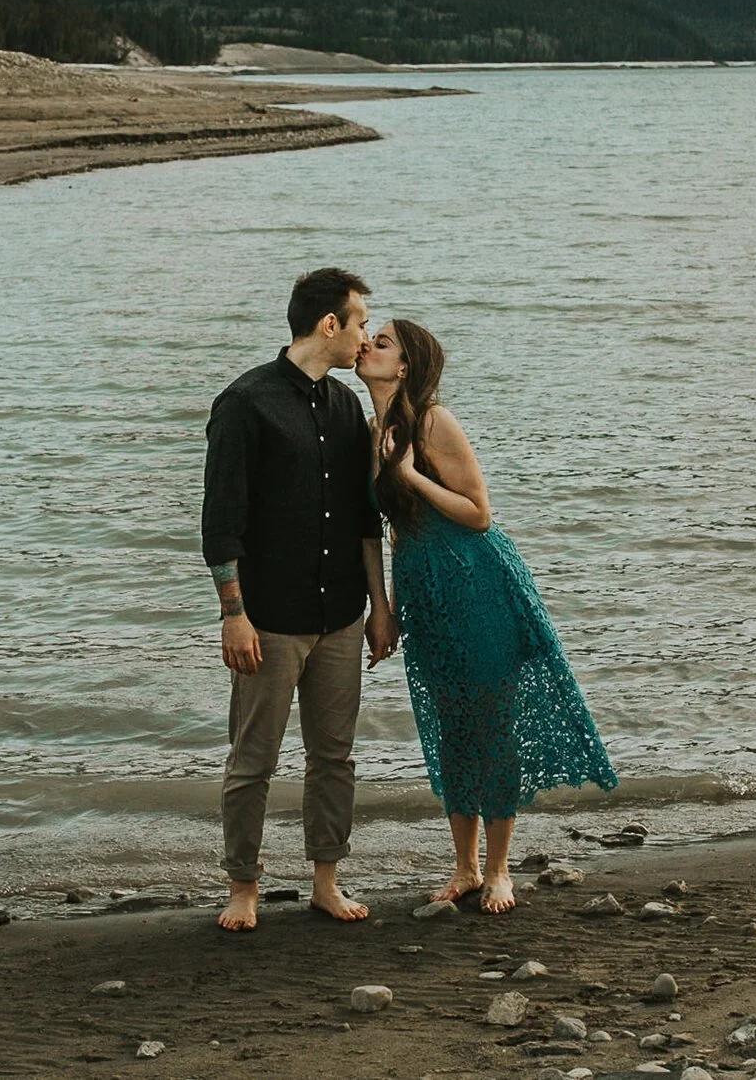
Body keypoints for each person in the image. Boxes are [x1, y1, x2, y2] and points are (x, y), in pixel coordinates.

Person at [356, 317, 616, 914]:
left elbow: (479, 514)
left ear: (405, 367)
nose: (368, 343)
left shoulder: (433, 421)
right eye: (370, 336)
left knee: (491, 724)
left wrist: (409, 474)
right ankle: (465, 868)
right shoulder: (371, 431)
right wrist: (383, 607)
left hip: (478, 583)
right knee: (450, 725)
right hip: (425, 593)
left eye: (383, 341)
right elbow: (380, 529)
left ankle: (499, 871)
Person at [201, 267, 399, 933]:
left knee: (334, 758)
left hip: (341, 615)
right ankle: (243, 886)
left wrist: (380, 608)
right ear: (329, 323)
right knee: (252, 762)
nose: (366, 335)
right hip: (268, 620)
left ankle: (326, 882)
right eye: (360, 321)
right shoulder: (245, 403)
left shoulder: (345, 408)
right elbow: (220, 524)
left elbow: (366, 521)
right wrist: (234, 614)